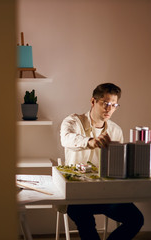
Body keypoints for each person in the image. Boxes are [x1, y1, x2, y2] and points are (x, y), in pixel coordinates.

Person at [60, 83, 144, 240]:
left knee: (136, 219)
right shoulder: (73, 121)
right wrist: (91, 141)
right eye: (105, 103)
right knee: (84, 219)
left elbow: (118, 165)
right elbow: (66, 139)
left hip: (106, 194)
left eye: (114, 105)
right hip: (78, 195)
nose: (109, 109)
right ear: (93, 101)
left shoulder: (116, 130)